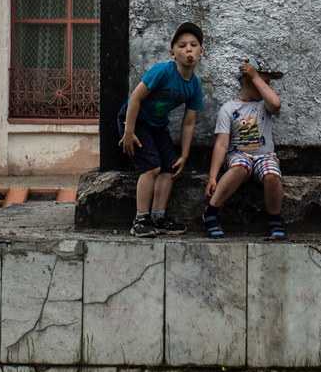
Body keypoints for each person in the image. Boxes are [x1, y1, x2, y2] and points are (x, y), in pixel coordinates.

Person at [120, 22, 204, 237]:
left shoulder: (194, 86)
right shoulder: (162, 71)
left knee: (170, 168)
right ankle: (140, 219)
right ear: (172, 53)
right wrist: (129, 132)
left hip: (157, 125)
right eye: (182, 45)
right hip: (134, 119)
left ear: (201, 52)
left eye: (194, 45)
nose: (188, 49)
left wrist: (184, 155)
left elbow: (188, 122)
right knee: (151, 167)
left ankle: (158, 217)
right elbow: (136, 98)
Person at [204, 57, 287, 240]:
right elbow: (221, 143)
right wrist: (212, 176)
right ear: (248, 82)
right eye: (264, 83)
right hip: (238, 154)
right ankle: (210, 212)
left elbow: (276, 103)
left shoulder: (264, 105)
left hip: (264, 156)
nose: (267, 88)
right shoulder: (229, 108)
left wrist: (256, 78)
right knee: (240, 168)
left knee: (272, 174)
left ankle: (274, 220)